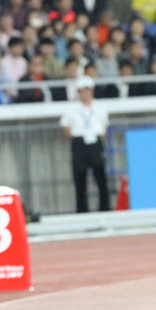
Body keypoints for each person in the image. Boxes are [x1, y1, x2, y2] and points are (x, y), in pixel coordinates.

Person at [59, 76, 110, 213]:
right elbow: (66, 128)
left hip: (95, 141)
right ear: (78, 93)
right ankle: (82, 210)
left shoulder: (100, 107)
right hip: (79, 142)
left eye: (88, 90)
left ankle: (104, 209)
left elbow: (104, 126)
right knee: (80, 179)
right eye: (82, 91)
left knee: (101, 177)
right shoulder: (71, 108)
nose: (86, 94)